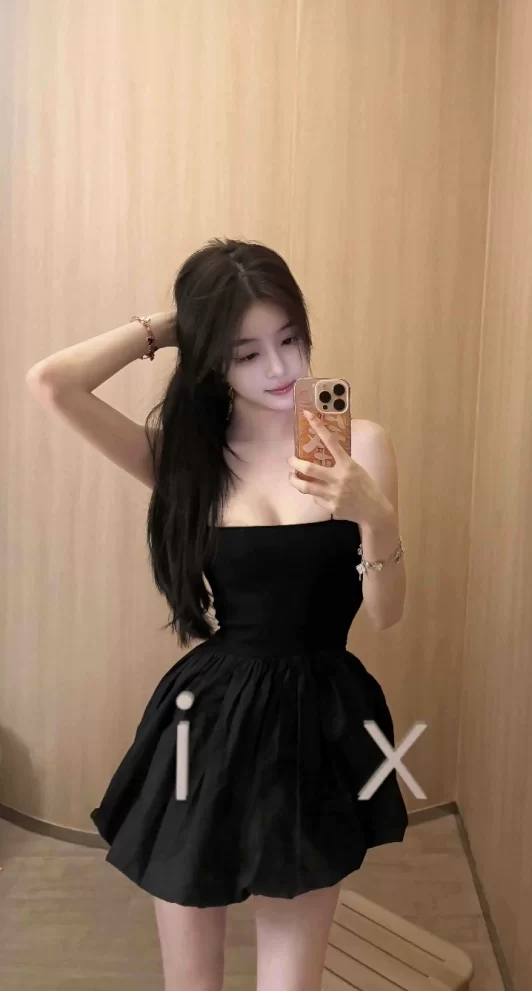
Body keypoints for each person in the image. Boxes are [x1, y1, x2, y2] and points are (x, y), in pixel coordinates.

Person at [25, 237, 409, 991]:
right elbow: (52, 383)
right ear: (211, 361)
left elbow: (387, 615)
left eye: (290, 339)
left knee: (289, 983)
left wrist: (376, 515)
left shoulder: (362, 444)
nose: (281, 368)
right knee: (192, 982)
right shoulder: (186, 460)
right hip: (205, 725)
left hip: (318, 723)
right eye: (247, 353)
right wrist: (174, 324)